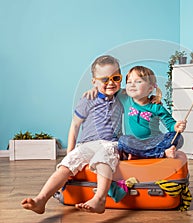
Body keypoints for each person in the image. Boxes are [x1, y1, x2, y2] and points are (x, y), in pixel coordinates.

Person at [21, 55, 123, 214]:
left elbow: (137, 92)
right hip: (86, 144)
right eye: (104, 79)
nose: (111, 82)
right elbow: (75, 125)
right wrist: (70, 150)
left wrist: (153, 95)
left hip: (109, 143)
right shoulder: (89, 99)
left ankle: (99, 199)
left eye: (115, 78)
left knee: (105, 157)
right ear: (94, 82)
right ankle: (41, 199)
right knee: (65, 166)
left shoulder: (122, 97)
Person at [85, 65, 186, 159]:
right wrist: (95, 89)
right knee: (123, 140)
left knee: (178, 138)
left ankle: (140, 154)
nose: (132, 85)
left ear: (150, 88)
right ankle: (161, 153)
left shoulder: (156, 107)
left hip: (154, 141)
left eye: (138, 82)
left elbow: (170, 124)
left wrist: (176, 126)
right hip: (134, 142)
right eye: (129, 82)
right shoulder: (124, 98)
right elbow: (109, 88)